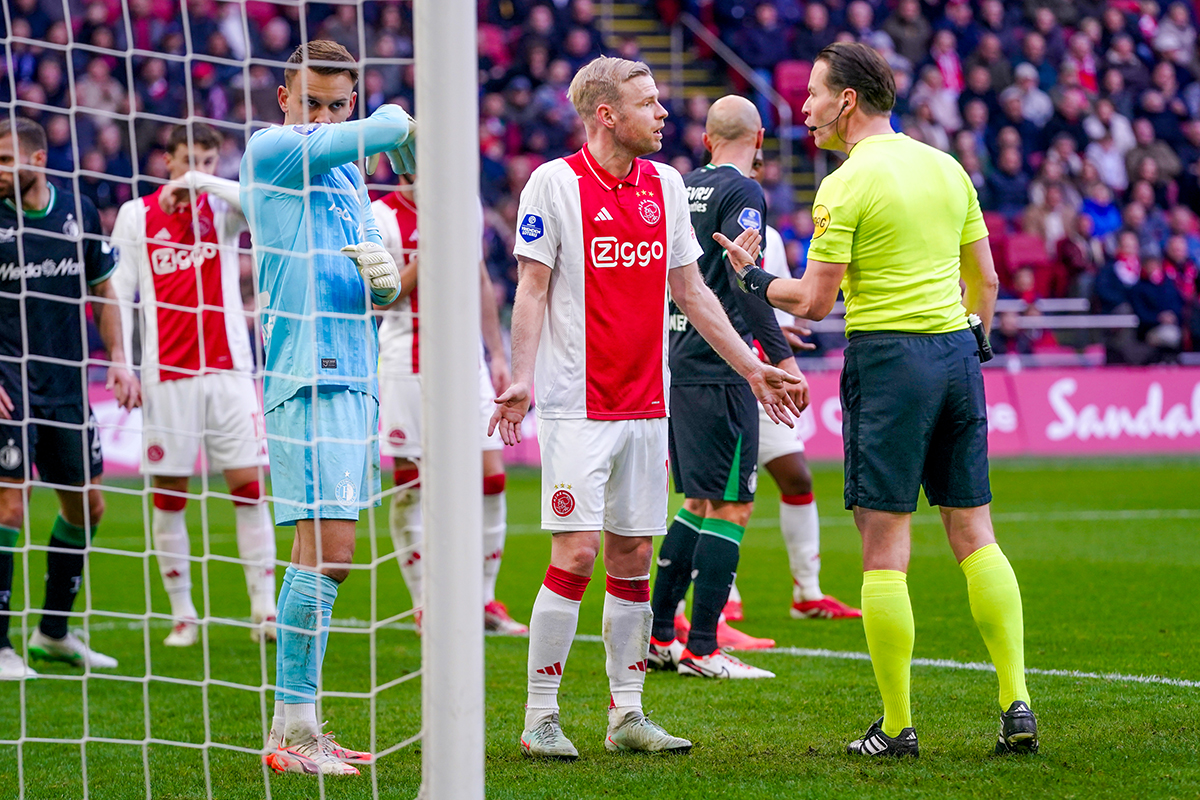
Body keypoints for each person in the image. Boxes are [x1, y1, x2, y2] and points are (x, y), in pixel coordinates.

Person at [489, 56, 804, 760]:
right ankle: (540, 717)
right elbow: (531, 288)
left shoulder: (664, 185)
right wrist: (521, 377)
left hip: (647, 405)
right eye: (649, 102)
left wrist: (752, 366)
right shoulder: (553, 183)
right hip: (577, 406)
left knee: (632, 556)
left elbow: (692, 292)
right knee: (576, 553)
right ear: (607, 114)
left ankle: (626, 713)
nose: (664, 114)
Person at [730, 42, 1038, 758]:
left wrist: (752, 278)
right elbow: (987, 281)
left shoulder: (846, 183)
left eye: (813, 93)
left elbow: (813, 302)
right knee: (976, 534)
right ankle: (1016, 701)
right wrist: (974, 340)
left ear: (846, 100)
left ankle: (898, 727)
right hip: (957, 355)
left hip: (890, 362)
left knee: (885, 547)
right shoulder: (948, 167)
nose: (803, 106)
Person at [239, 40, 415, 776]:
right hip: (309, 374)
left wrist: (388, 281)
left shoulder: (348, 179)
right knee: (331, 556)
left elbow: (375, 285)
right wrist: (398, 128)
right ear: (285, 98)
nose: (324, 116)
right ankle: (294, 729)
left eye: (338, 105)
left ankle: (295, 727)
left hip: (352, 373)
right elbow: (390, 126)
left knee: (322, 554)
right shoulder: (271, 149)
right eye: (311, 102)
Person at [646, 96, 800, 682]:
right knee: (732, 503)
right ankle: (704, 648)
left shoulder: (679, 186)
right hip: (722, 366)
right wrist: (779, 358)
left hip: (678, 359)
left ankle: (661, 637)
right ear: (758, 138)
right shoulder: (744, 192)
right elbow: (743, 281)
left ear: (708, 139)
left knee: (697, 501)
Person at [110, 123, 276, 649]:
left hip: (230, 373)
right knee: (170, 497)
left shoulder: (222, 208)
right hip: (166, 376)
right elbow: (119, 292)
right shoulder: (136, 215)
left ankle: (265, 608)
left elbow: (258, 204)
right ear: (168, 160)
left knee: (249, 488)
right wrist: (122, 362)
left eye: (208, 161)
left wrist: (203, 183)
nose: (197, 169)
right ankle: (183, 615)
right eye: (188, 160)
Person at [0, 117, 140, 678]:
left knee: (88, 507)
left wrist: (120, 360)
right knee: (10, 504)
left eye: (5, 159)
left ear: (36, 161)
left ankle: (52, 633)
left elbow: (104, 290)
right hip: (9, 385)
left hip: (66, 384)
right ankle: (0, 646)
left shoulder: (77, 210)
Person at [372, 173, 527, 636]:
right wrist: (429, 253)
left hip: (466, 364)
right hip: (407, 363)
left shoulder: (464, 202)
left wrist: (496, 353)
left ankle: (484, 600)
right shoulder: (380, 216)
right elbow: (382, 298)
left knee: (492, 477)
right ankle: (425, 603)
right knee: (411, 485)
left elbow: (479, 279)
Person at [721, 150, 861, 624]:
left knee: (797, 477)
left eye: (757, 165)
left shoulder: (772, 238)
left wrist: (783, 335)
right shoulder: (699, 227)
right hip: (724, 374)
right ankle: (722, 596)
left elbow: (767, 303)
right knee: (722, 491)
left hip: (769, 371)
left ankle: (807, 592)